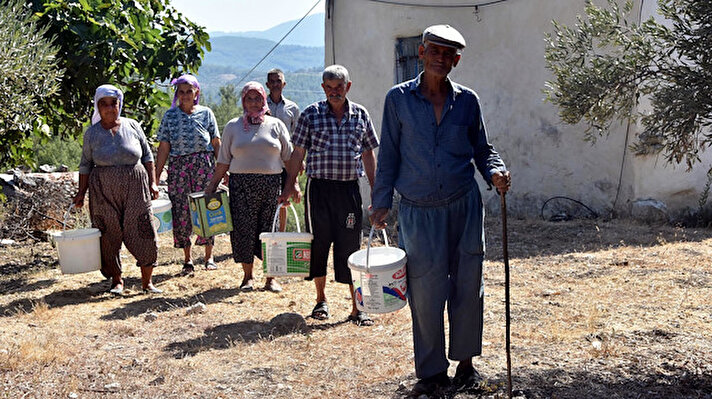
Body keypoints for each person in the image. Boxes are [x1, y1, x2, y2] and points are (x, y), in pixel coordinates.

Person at [370, 25, 512, 397]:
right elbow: (389, 154)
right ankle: (432, 373)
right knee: (426, 292)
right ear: (421, 52)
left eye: (449, 54)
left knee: (468, 286)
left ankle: (466, 366)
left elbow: (482, 148)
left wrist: (495, 170)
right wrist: (381, 201)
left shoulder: (467, 101)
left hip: (464, 206)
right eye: (435, 50)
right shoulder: (397, 99)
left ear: (457, 60)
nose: (441, 58)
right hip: (419, 210)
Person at [279, 65, 379, 326]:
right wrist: (289, 185)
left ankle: (358, 307)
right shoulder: (311, 114)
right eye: (330, 87)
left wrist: (377, 189)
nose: (335, 92)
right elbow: (298, 153)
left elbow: (368, 153)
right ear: (323, 88)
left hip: (348, 191)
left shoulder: (360, 114)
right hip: (319, 190)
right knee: (318, 243)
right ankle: (321, 300)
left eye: (340, 87)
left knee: (350, 246)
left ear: (348, 86)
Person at [205, 82, 295, 293]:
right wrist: (211, 187)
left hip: (271, 185)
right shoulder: (232, 126)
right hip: (241, 186)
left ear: (264, 100)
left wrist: (292, 186)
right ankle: (248, 277)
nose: (253, 103)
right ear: (243, 101)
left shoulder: (276, 125)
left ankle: (271, 278)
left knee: (270, 232)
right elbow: (223, 161)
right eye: (249, 98)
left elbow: (289, 159)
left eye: (257, 98)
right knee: (244, 230)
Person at [72, 84, 161, 295]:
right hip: (103, 188)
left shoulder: (132, 126)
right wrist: (81, 193)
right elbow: (85, 165)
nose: (109, 108)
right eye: (104, 104)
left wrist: (153, 182)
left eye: (113, 103)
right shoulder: (92, 134)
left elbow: (148, 156)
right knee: (107, 231)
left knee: (143, 227)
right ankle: (117, 281)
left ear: (119, 104)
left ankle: (147, 282)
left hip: (135, 184)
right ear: (98, 107)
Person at [155, 74, 221, 275]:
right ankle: (188, 259)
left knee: (206, 208)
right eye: (181, 92)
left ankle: (209, 256)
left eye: (188, 91)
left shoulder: (206, 113)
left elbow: (216, 142)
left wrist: (223, 170)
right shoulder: (170, 116)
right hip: (179, 167)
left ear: (196, 93)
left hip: (204, 165)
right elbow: (164, 147)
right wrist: (155, 177)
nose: (184, 95)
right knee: (182, 211)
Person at [266, 68, 301, 232]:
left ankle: (281, 234)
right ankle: (267, 233)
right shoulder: (260, 105)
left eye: (278, 81)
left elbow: (298, 137)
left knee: (284, 199)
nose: (275, 84)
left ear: (284, 84)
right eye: (272, 81)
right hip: (265, 161)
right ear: (267, 84)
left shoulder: (292, 108)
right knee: (267, 199)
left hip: (286, 161)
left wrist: (300, 161)